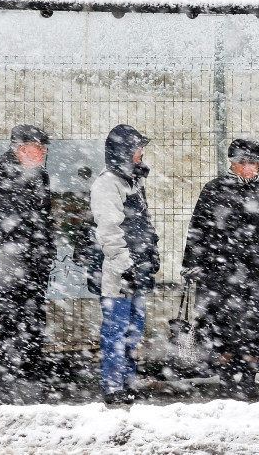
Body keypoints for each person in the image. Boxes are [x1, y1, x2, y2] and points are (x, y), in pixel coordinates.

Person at [182, 138, 259, 400]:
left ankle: (247, 381)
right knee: (222, 327)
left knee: (255, 329)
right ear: (232, 164)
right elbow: (198, 228)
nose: (248, 167)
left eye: (253, 162)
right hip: (220, 273)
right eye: (242, 162)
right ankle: (227, 381)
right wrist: (192, 263)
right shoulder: (214, 189)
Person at [0, 124, 55, 405]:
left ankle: (31, 380)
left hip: (35, 261)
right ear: (21, 148)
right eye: (38, 148)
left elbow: (45, 218)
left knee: (35, 319)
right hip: (5, 261)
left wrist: (48, 251)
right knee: (12, 319)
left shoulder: (40, 176)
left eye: (44, 149)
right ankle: (8, 382)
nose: (42, 153)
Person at [89, 124, 160, 406]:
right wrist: (125, 266)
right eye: (137, 149)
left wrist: (149, 258)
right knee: (116, 330)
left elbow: (142, 226)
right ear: (124, 152)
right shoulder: (108, 184)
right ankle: (112, 384)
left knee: (134, 329)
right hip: (118, 272)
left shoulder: (131, 181)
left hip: (136, 268)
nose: (142, 154)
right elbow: (108, 229)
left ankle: (127, 381)